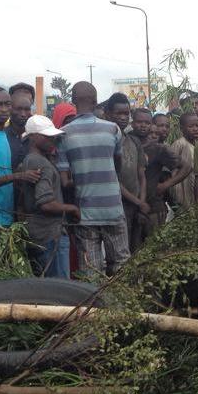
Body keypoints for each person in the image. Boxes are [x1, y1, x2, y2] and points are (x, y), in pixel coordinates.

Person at [58, 82, 130, 275]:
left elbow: (64, 181)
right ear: (96, 101)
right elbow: (118, 166)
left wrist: (85, 179)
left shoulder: (64, 134)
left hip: (85, 213)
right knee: (122, 265)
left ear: (73, 101)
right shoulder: (113, 129)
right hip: (113, 209)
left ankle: (95, 296)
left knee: (91, 271)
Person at [0, 87, 41, 249]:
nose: (4, 109)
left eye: (7, 104)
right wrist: (18, 176)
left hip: (11, 216)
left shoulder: (7, 136)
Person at [18, 115, 78, 278]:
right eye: (47, 137)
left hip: (39, 233)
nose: (53, 140)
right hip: (49, 234)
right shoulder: (39, 162)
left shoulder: (31, 160)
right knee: (59, 285)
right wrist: (72, 209)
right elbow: (46, 204)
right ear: (33, 137)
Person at [107, 96, 148, 251]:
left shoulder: (133, 141)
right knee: (120, 252)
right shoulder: (107, 142)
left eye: (126, 113)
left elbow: (141, 175)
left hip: (136, 207)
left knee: (136, 249)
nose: (124, 117)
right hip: (118, 206)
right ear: (108, 114)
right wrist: (139, 202)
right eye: (119, 113)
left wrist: (141, 202)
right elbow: (113, 179)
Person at [167, 113, 198, 212]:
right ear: (182, 128)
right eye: (191, 126)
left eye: (197, 125)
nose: (195, 129)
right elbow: (171, 171)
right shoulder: (179, 144)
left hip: (193, 193)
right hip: (181, 195)